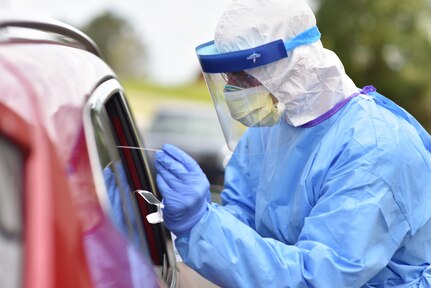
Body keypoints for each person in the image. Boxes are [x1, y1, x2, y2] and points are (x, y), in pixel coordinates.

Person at [154, 0, 431, 287]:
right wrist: (189, 219)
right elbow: (243, 220)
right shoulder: (270, 128)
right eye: (227, 76)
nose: (232, 88)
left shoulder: (375, 150)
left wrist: (202, 227)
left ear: (290, 66)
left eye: (243, 75)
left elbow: (316, 277)